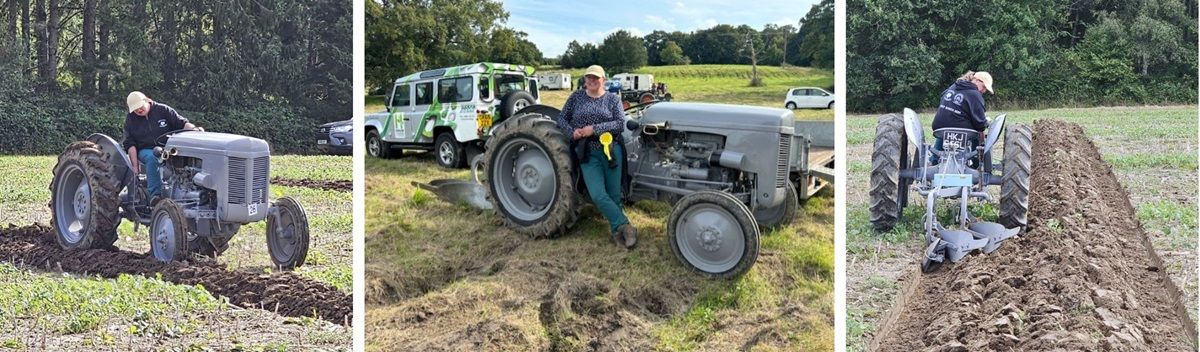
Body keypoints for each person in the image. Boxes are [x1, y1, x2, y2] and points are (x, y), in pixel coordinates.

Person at [555, 65, 637, 249]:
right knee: (599, 195)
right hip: (587, 153)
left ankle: (617, 231)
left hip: (611, 151)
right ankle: (627, 227)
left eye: (596, 78)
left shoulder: (612, 99)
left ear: (603, 80)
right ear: (585, 80)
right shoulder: (576, 97)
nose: (591, 80)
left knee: (614, 195)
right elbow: (562, 119)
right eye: (588, 77)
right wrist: (572, 132)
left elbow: (618, 124)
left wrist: (594, 129)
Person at [122, 91, 200, 200]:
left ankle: (187, 191)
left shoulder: (163, 110)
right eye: (135, 109)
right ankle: (155, 196)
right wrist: (134, 167)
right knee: (152, 158)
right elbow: (130, 144)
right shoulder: (131, 119)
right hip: (146, 150)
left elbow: (182, 123)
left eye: (140, 106)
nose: (139, 110)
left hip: (168, 148)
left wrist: (194, 129)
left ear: (146, 100)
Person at [930, 71, 994, 164]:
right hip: (963, 130)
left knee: (945, 131)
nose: (984, 91)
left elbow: (942, 97)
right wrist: (985, 122)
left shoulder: (953, 86)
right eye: (984, 87)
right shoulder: (975, 95)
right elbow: (980, 124)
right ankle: (976, 161)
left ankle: (934, 160)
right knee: (978, 131)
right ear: (976, 80)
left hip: (938, 126)